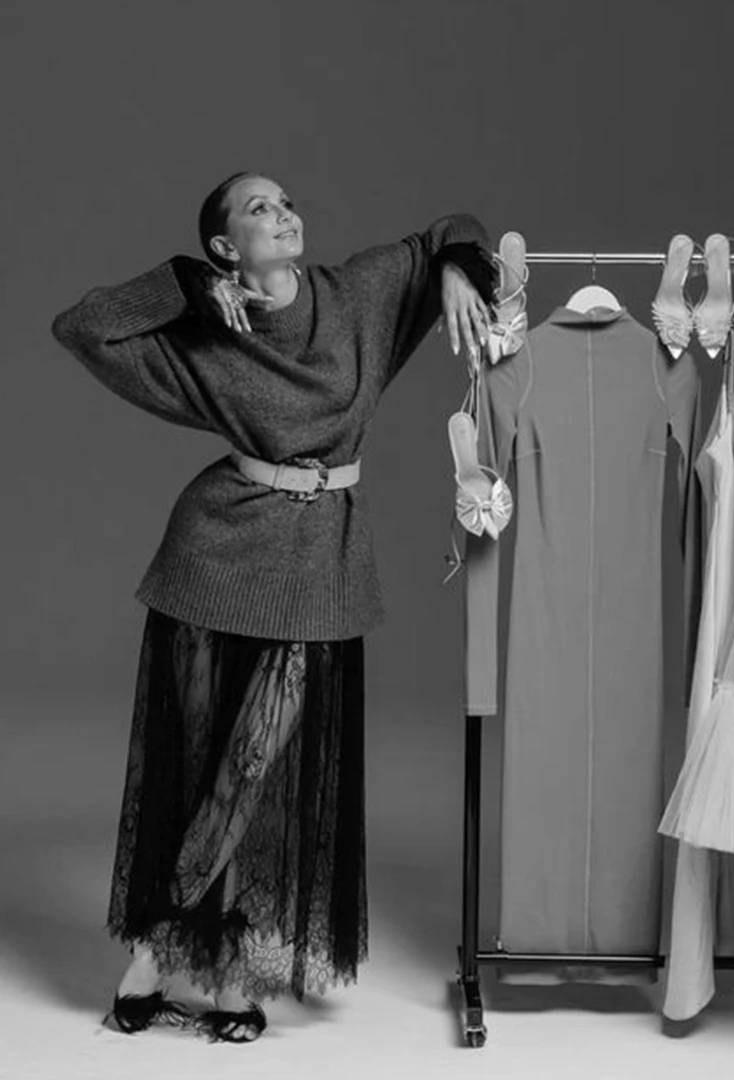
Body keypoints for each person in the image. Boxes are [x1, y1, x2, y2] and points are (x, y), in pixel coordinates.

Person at [51, 172, 495, 1042]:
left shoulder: (357, 295)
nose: (284, 214)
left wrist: (455, 269)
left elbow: (456, 222)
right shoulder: (208, 332)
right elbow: (82, 326)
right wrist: (185, 282)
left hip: (318, 562)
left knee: (247, 768)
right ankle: (220, 975)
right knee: (200, 766)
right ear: (226, 247)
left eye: (285, 201)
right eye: (259, 209)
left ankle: (156, 947)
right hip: (211, 555)